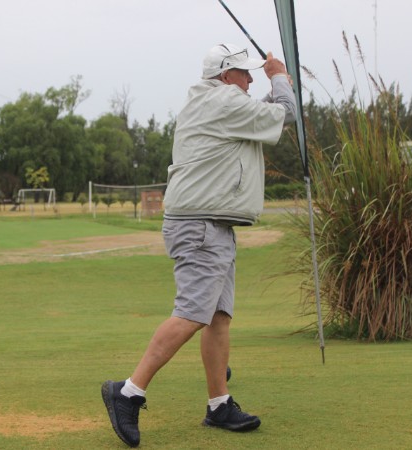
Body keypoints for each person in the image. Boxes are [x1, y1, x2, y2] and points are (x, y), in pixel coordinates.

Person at [101, 43, 297, 448]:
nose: (250, 79)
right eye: (244, 73)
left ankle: (219, 404)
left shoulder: (215, 101)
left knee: (218, 317)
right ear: (225, 76)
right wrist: (279, 77)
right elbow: (285, 114)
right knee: (192, 313)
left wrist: (278, 86)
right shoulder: (224, 100)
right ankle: (128, 392)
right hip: (201, 225)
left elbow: (265, 115)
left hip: (212, 224)